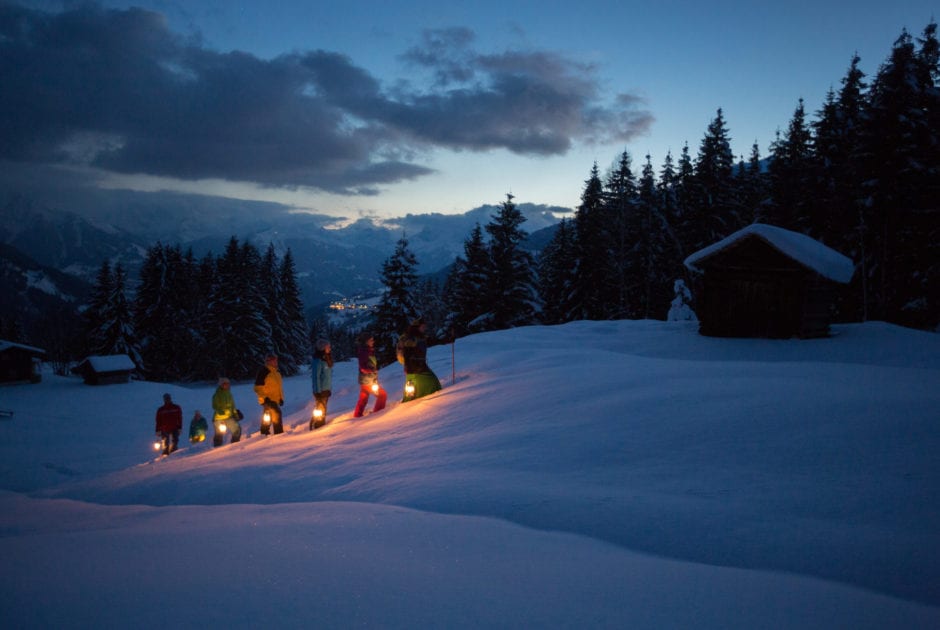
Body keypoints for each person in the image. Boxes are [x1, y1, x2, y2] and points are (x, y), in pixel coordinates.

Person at [399, 318, 442, 401]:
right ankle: (412, 401)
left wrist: (446, 340)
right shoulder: (411, 338)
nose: (424, 328)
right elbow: (406, 353)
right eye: (422, 326)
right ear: (417, 327)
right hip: (414, 366)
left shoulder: (420, 337)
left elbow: (433, 341)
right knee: (430, 382)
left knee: (431, 381)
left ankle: (416, 398)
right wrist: (409, 366)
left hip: (419, 364)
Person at [353, 332, 386, 418]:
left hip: (366, 379)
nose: (373, 341)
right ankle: (378, 413)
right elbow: (362, 366)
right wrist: (371, 370)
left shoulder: (367, 350)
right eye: (371, 340)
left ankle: (357, 415)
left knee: (363, 398)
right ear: (366, 341)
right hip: (368, 380)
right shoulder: (364, 351)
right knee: (382, 395)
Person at [254, 354, 284, 434]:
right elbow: (257, 387)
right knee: (276, 414)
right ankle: (279, 434)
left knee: (268, 416)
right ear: (268, 361)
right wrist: (264, 398)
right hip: (268, 399)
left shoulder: (276, 372)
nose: (275, 361)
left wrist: (281, 398)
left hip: (274, 399)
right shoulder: (264, 371)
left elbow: (278, 387)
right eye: (273, 360)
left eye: (276, 360)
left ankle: (264, 432)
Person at [212, 377, 242, 446]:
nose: (227, 385)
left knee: (237, 430)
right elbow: (215, 405)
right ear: (221, 385)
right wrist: (220, 411)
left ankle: (234, 445)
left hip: (229, 417)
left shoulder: (229, 394)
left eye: (228, 384)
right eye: (225, 384)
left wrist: (235, 414)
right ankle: (217, 449)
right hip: (218, 418)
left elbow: (232, 406)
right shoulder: (217, 395)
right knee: (219, 433)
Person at [310, 338, 333, 430]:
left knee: (322, 409)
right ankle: (317, 427)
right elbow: (316, 377)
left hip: (325, 389)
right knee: (320, 409)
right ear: (323, 348)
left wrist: (328, 389)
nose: (330, 348)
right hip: (320, 391)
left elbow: (326, 376)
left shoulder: (325, 359)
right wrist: (317, 392)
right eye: (328, 347)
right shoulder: (318, 361)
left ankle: (319, 425)